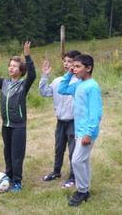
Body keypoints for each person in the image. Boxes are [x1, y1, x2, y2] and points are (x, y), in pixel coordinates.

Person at [0, 42, 36, 192]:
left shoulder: (23, 84)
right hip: (6, 125)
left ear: (21, 70)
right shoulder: (5, 83)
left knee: (17, 154)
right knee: (7, 152)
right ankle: (9, 175)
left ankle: (17, 181)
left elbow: (33, 74)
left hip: (18, 125)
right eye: (10, 65)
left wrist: (27, 56)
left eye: (14, 66)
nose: (11, 68)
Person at [58, 54, 102, 207]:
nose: (74, 69)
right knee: (83, 161)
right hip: (79, 130)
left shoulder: (92, 87)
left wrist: (88, 134)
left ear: (88, 68)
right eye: (73, 66)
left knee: (76, 160)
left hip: (86, 132)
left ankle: (82, 191)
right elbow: (62, 89)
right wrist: (69, 73)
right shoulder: (78, 84)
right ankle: (86, 188)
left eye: (77, 67)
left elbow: (95, 113)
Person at [40, 50, 81, 188]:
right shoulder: (58, 81)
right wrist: (45, 76)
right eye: (65, 61)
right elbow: (45, 92)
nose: (66, 64)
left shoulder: (80, 83)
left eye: (70, 61)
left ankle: (73, 177)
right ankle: (56, 172)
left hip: (74, 122)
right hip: (60, 121)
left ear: (76, 64)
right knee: (58, 148)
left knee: (73, 150)